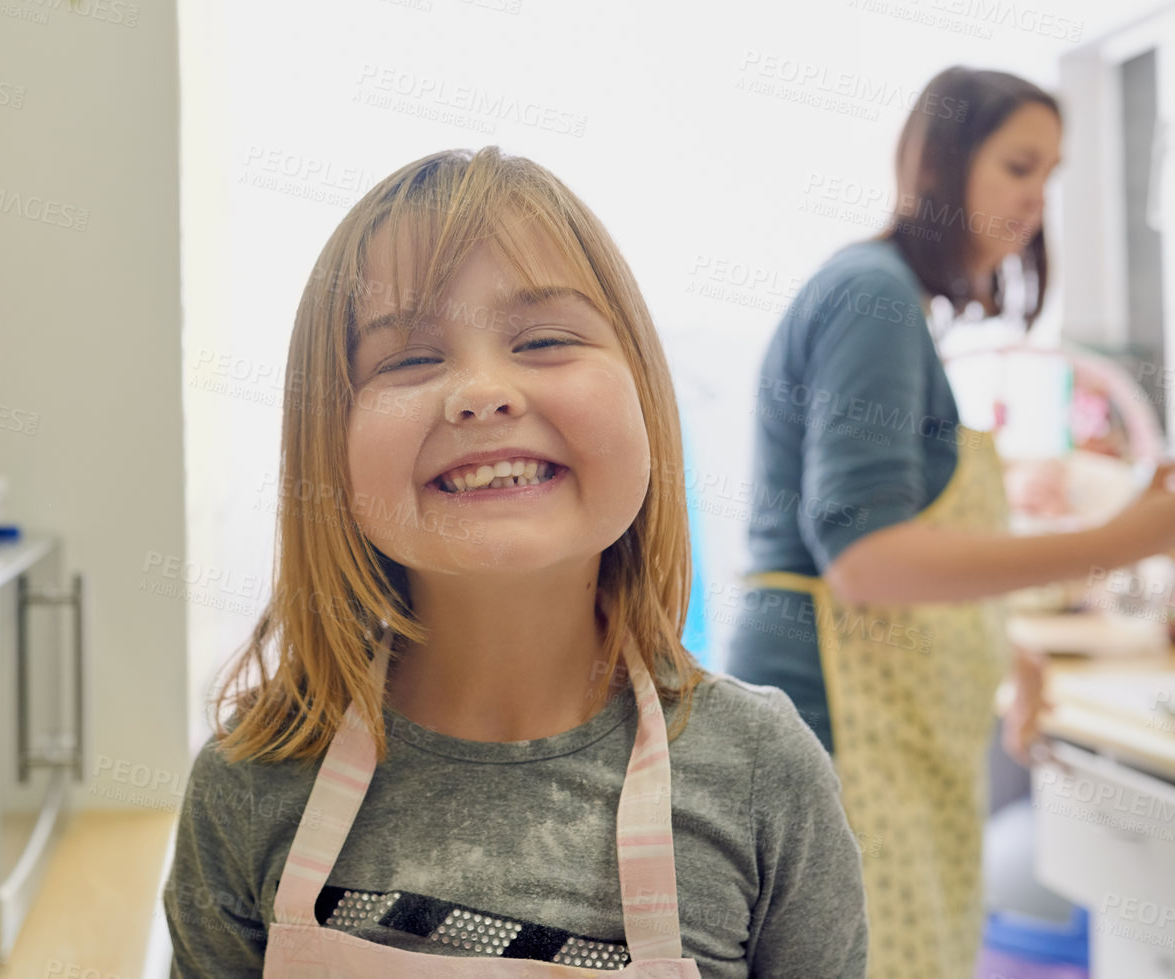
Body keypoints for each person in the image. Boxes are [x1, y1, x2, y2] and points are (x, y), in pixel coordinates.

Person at [164, 146, 869, 977]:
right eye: (410, 358)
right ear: (326, 445)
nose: (481, 389)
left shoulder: (761, 774)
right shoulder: (249, 783)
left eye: (542, 339)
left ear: (646, 390)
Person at [723, 66, 1175, 979]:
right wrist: (1124, 538)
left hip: (872, 718)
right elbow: (864, 556)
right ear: (944, 163)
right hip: (834, 728)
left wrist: (1001, 649)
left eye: (1048, 175)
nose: (1036, 201)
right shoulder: (873, 295)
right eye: (1017, 166)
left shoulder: (888, 301)